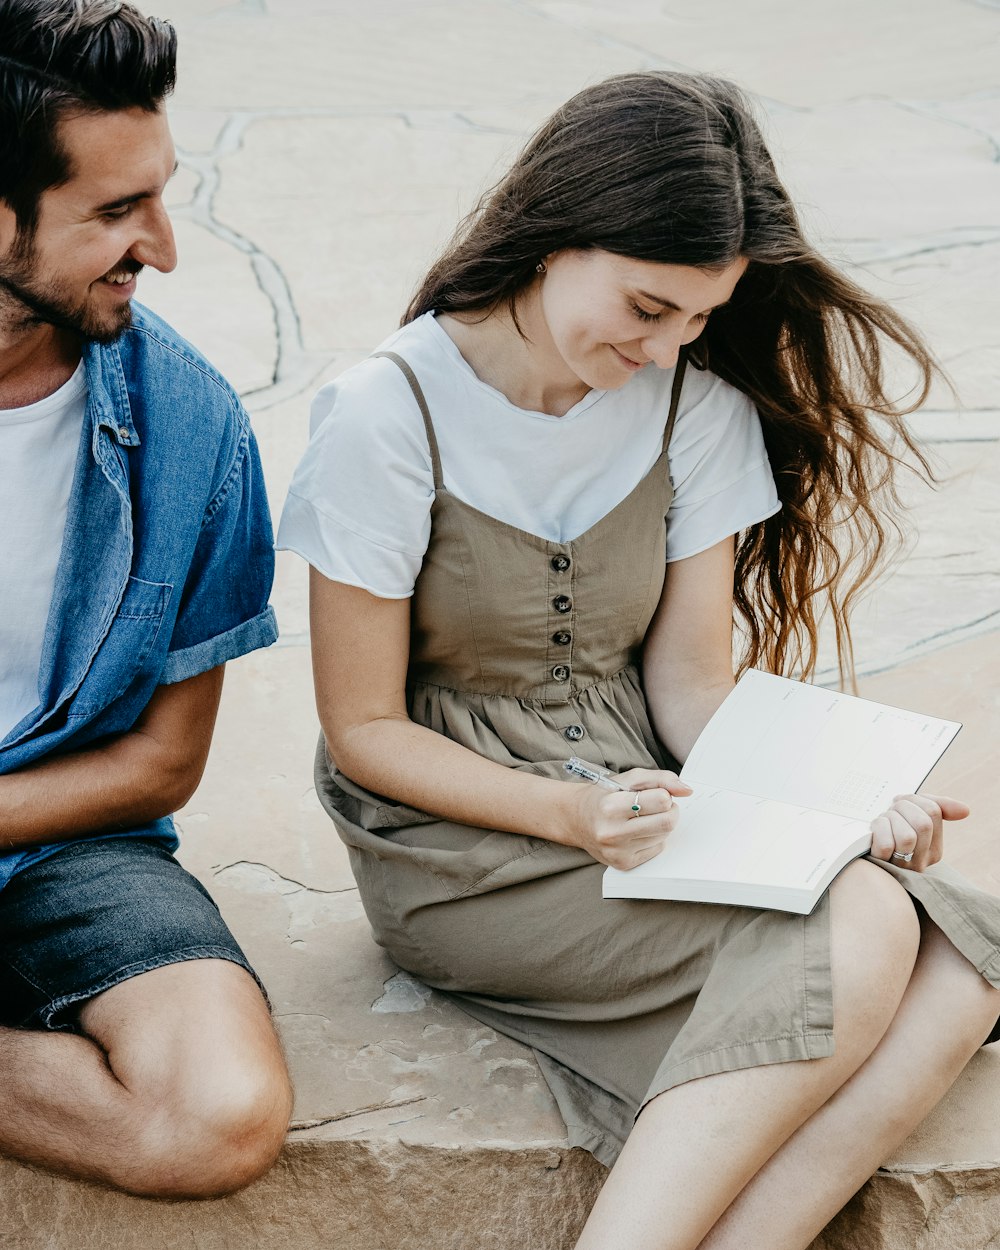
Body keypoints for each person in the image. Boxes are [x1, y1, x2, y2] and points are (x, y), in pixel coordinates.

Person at [278, 72, 1000, 1248]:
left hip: (647, 801)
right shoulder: (386, 412)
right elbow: (364, 731)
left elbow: (690, 687)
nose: (667, 345)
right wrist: (565, 814)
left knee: (961, 959)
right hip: (462, 844)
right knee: (866, 926)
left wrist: (848, 806)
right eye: (647, 304)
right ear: (557, 235)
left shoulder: (690, 410)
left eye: (697, 318)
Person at [0, 0, 292, 1198]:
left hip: (69, 838)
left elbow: (162, 764)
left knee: (217, 1116)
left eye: (159, 195)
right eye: (117, 212)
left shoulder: (192, 424)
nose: (162, 247)